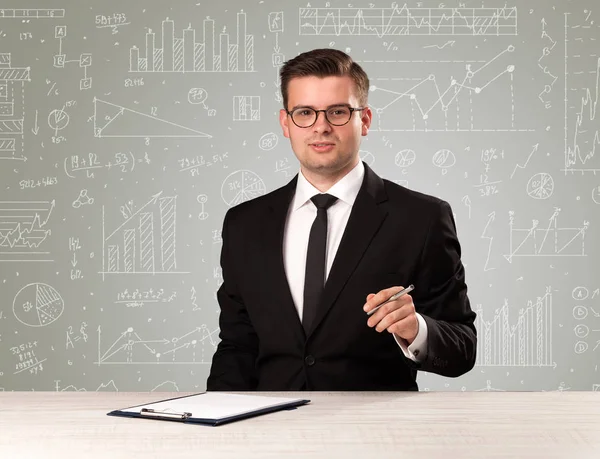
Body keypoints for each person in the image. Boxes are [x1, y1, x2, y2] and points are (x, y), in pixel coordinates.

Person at [207, 48, 477, 391]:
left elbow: (463, 348)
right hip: (269, 430)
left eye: (337, 112)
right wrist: (213, 425)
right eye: (305, 112)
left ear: (363, 120)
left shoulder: (422, 219)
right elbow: (237, 346)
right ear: (285, 123)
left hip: (375, 433)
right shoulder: (244, 223)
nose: (320, 127)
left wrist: (416, 329)